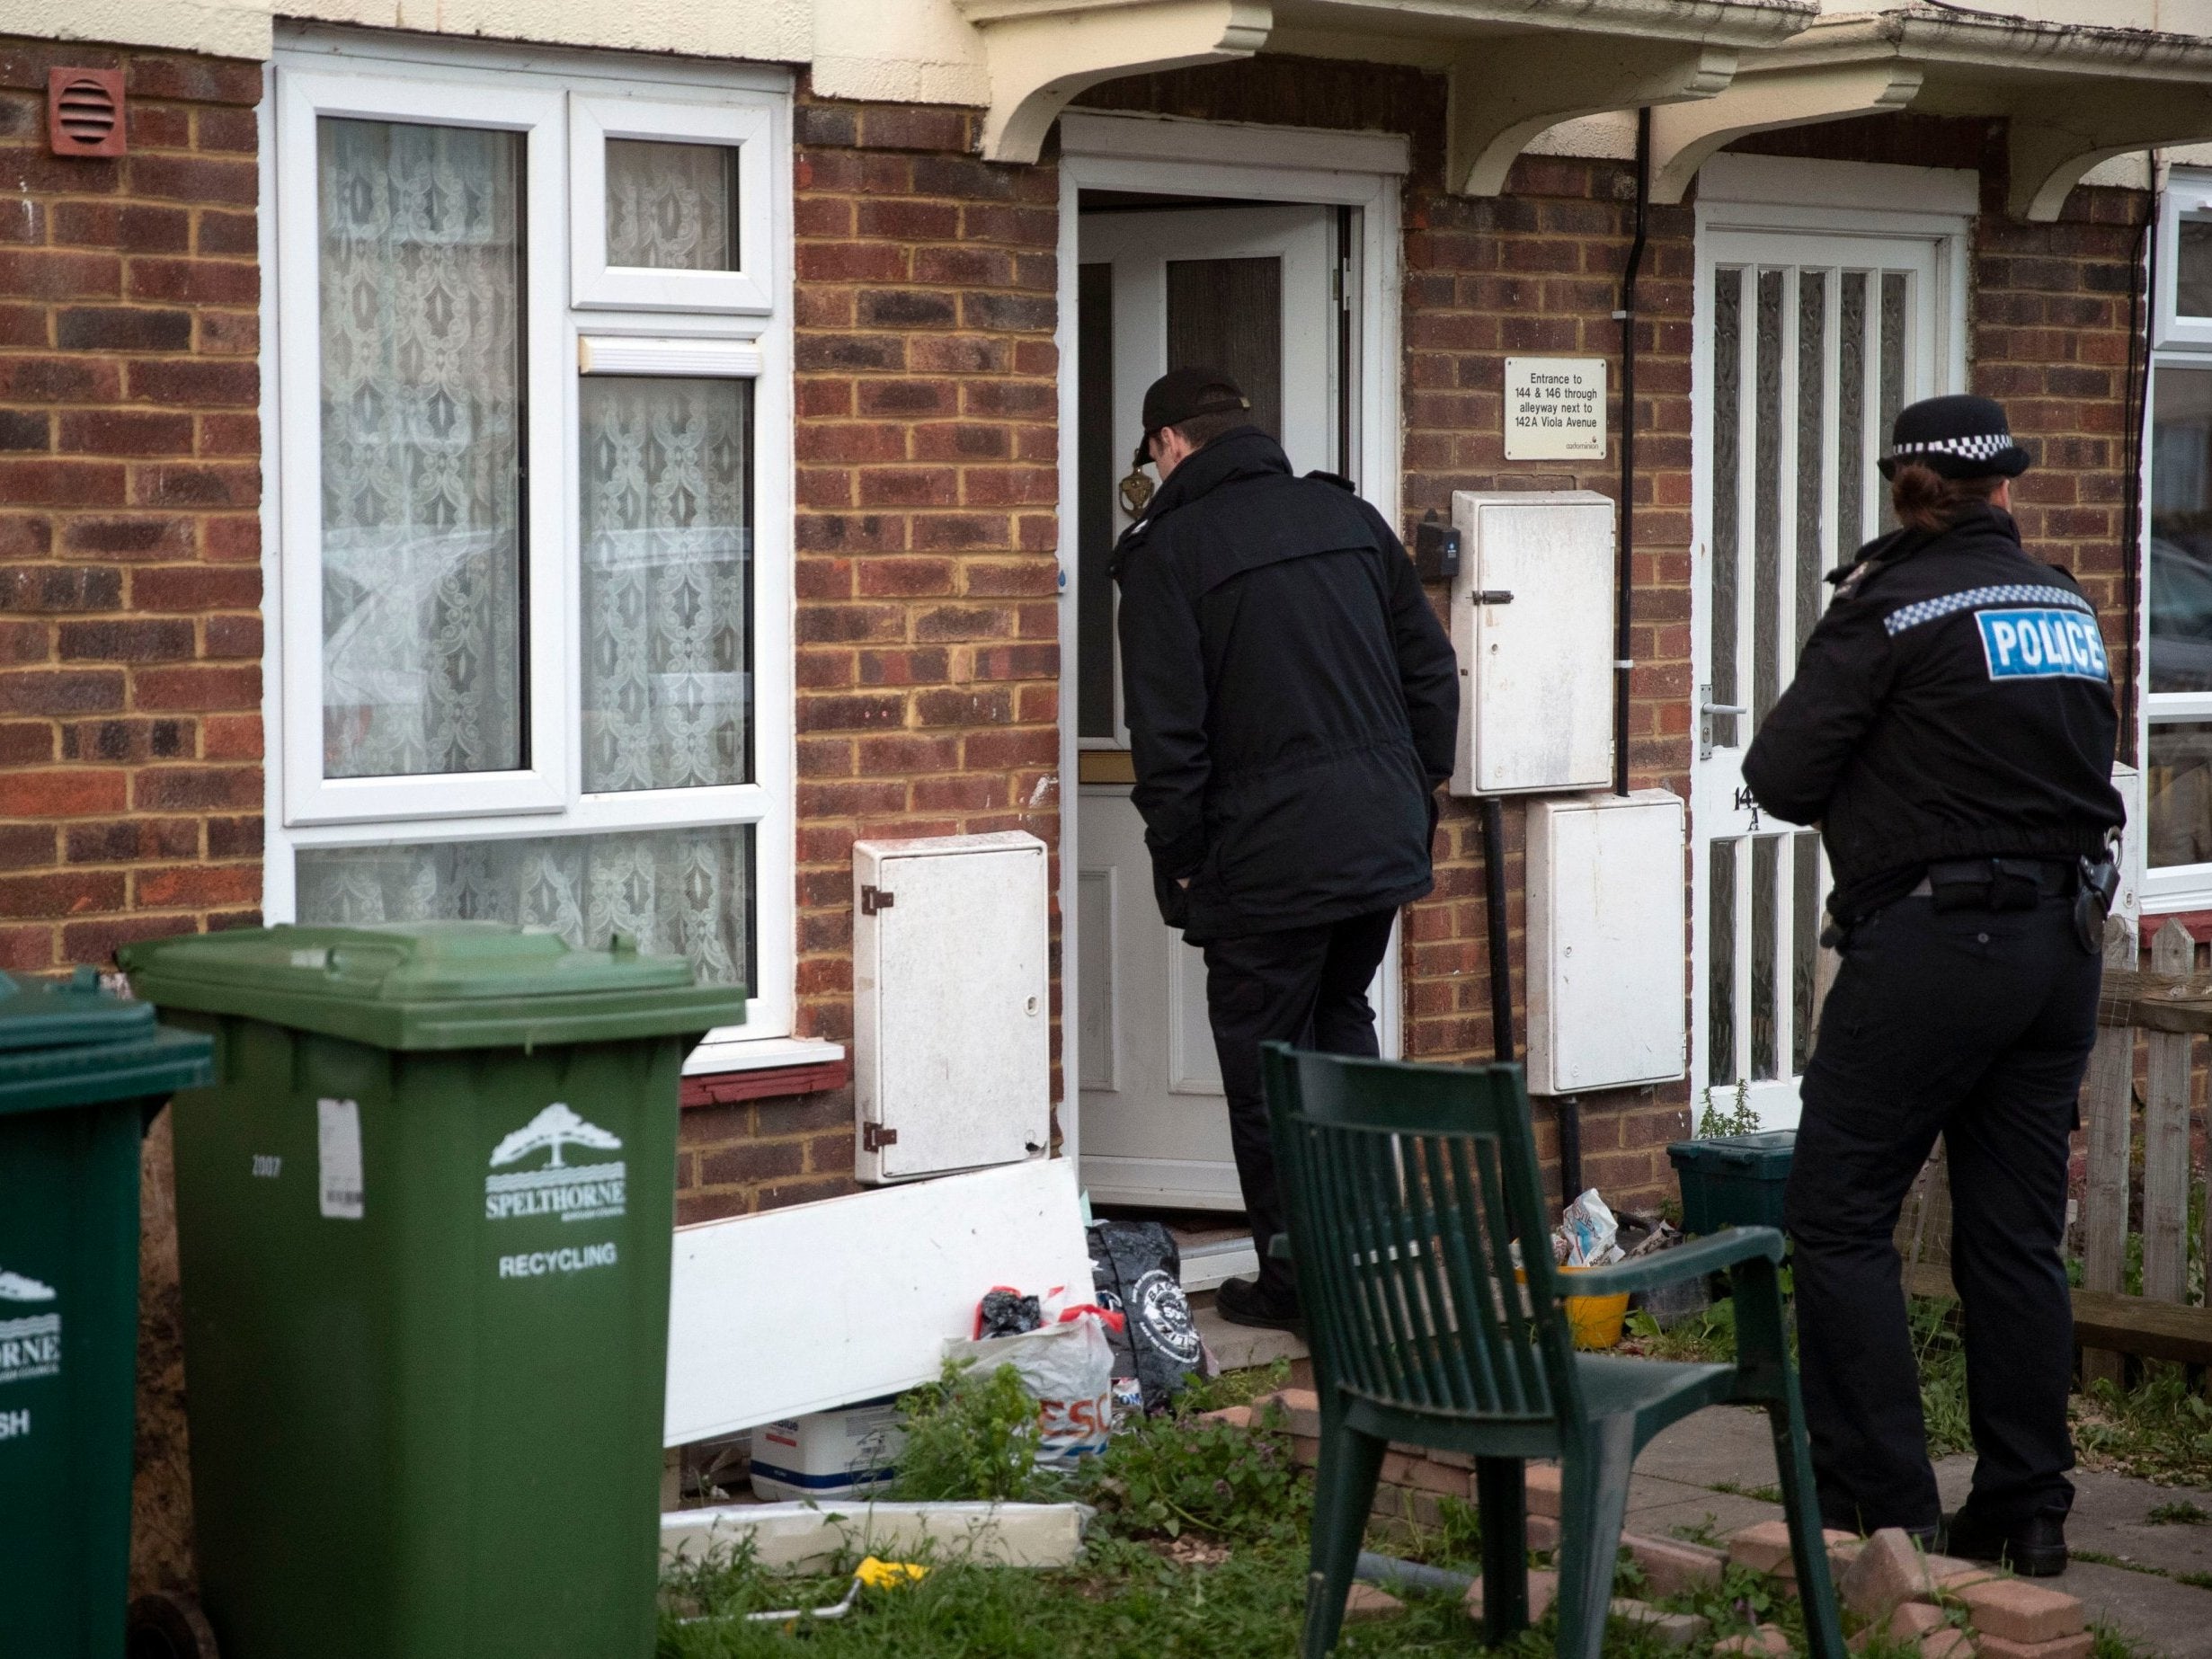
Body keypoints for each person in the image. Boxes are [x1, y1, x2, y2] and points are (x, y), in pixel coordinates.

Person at [1744, 394, 2124, 1575]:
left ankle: (1882, 1507)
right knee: (2012, 1234)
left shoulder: (1892, 604)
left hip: (1933, 942)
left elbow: (1783, 773)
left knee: (1838, 1212)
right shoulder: (2063, 600)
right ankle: (2027, 1506)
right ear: (2003, 488)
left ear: (1905, 487)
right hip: (2059, 946)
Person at [1111, 367, 1457, 1331]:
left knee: (1268, 1069)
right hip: (1378, 839)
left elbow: (1166, 734)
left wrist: (1181, 853)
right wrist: (1413, 787)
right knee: (1340, 1027)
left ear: (1170, 442)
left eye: (1152, 451)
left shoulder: (1168, 552)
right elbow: (1431, 669)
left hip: (1264, 858)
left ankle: (1300, 1282)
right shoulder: (1349, 520)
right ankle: (1363, 1262)